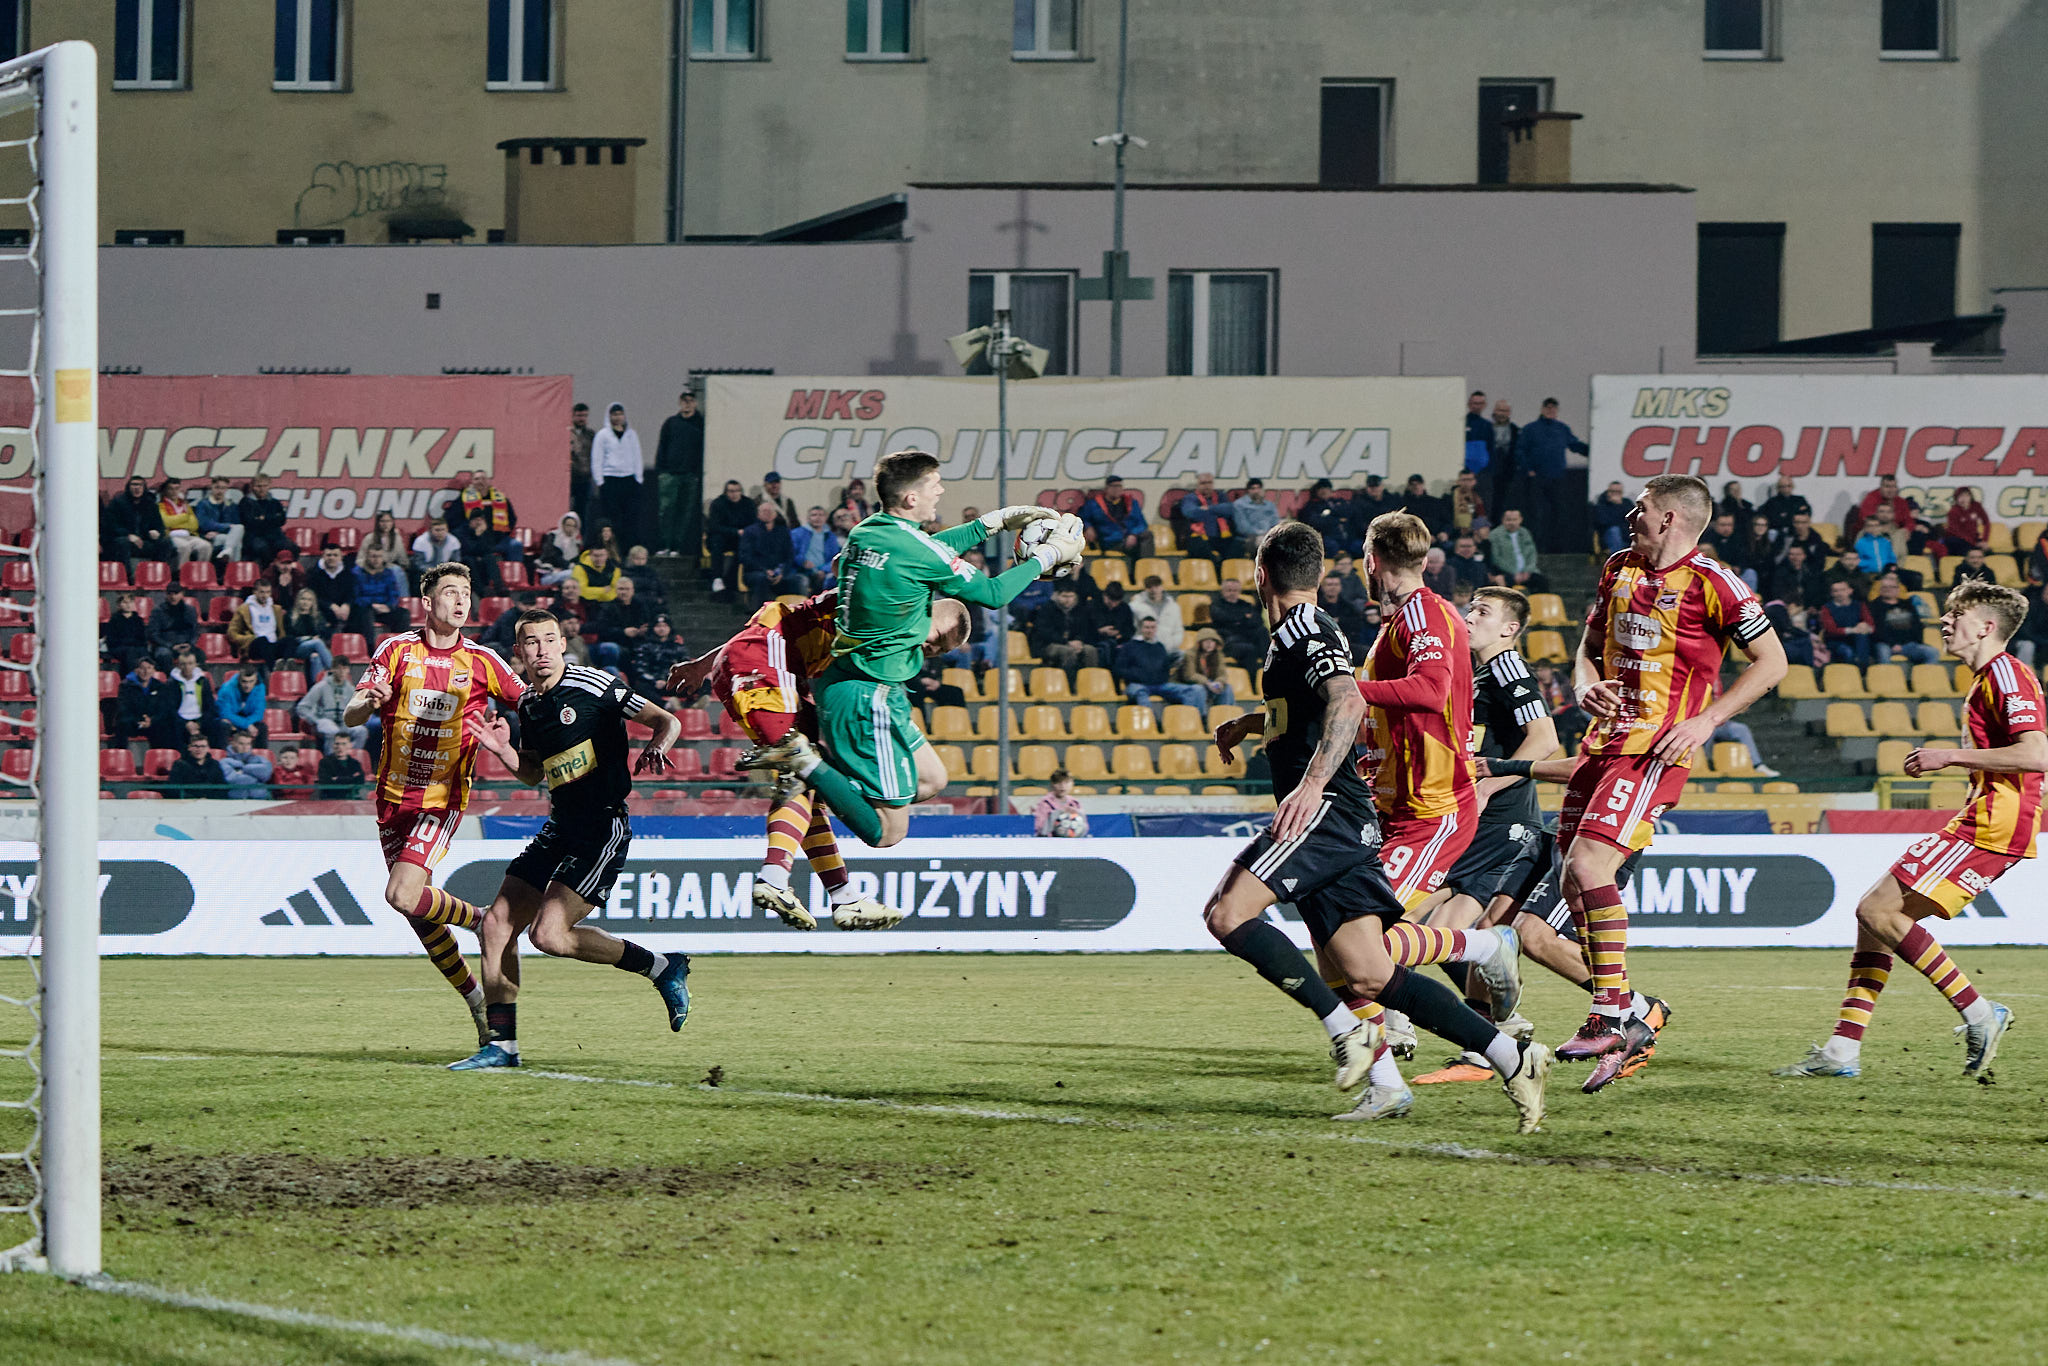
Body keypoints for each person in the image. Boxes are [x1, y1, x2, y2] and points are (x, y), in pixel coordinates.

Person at [1203, 520, 1548, 1130]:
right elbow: (1324, 709)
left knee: (1230, 914)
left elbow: (1357, 697)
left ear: (1260, 575)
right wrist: (1255, 723)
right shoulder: (1337, 631)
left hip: (1380, 810)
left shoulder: (1341, 623)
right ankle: (1496, 1057)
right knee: (1358, 968)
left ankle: (1461, 960)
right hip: (1373, 806)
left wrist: (1314, 780)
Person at [1557, 473, 1786, 1085]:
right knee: (1573, 884)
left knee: (1589, 867)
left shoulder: (1715, 583)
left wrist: (1708, 720)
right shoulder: (1618, 567)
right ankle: (1629, 1017)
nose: (1630, 515)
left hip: (1655, 748)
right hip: (1601, 742)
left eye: (1641, 507)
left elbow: (1773, 662)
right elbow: (1588, 646)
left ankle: (1610, 1015)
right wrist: (1584, 684)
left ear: (1669, 519)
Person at [750, 449, 1076, 856]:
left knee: (932, 780)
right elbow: (993, 594)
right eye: (934, 484)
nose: (940, 491)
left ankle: (823, 780)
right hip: (870, 695)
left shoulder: (866, 531)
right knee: (888, 832)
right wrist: (1046, 557)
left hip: (849, 680)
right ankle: (804, 761)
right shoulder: (916, 551)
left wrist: (992, 523)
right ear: (911, 498)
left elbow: (923, 549)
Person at [1777, 582, 2038, 1081]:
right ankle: (1841, 1051)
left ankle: (1980, 1012)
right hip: (1987, 818)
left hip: (1993, 823)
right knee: (1874, 918)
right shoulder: (1988, 678)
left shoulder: (2006, 674)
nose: (1945, 622)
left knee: (1876, 911)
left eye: (1956, 615)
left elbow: (2037, 753)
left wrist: (1949, 756)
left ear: (1986, 626)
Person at [449, 610, 689, 1071]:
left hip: (602, 826)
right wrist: (504, 751)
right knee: (496, 924)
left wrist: (657, 746)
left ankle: (662, 966)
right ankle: (502, 1046)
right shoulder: (529, 705)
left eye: (548, 640)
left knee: (548, 935)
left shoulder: (594, 684)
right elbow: (533, 772)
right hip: (560, 826)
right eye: (531, 643)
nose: (541, 650)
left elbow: (666, 720)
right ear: (518, 653)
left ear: (562, 643)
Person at [665, 591, 948, 931]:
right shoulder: (876, 603)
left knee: (808, 776)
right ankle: (774, 877)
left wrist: (702, 664)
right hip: (765, 666)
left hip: (757, 665)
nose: (932, 650)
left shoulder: (832, 620)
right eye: (938, 641)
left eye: (941, 650)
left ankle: (843, 895)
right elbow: (771, 635)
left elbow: (756, 635)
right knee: (799, 766)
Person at [344, 563, 527, 1050]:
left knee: (402, 895)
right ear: (427, 603)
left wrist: (517, 740)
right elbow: (351, 713)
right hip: (391, 801)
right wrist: (369, 702)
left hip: (440, 800)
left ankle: (485, 921)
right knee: (419, 915)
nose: (461, 600)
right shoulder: (395, 650)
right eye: (450, 592)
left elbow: (532, 702)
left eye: (466, 592)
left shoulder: (484, 661)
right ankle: (477, 1003)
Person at [1400, 587, 1563, 1082]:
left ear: (1510, 629)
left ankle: (1403, 1022)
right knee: (1448, 935)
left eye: (1483, 612)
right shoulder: (1478, 675)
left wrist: (1490, 785)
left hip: (1500, 823)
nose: (1470, 617)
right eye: (1470, 608)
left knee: (1412, 917)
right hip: (1481, 822)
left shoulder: (1508, 666)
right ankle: (1496, 1033)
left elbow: (1545, 739)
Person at [1509, 399, 1589, 550]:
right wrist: (1528, 469)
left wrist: (1594, 450)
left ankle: (1558, 548)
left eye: (1553, 408)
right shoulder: (1530, 429)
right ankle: (1537, 548)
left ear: (1557, 410)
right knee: (1536, 513)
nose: (1550, 411)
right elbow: (1519, 451)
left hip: (1558, 477)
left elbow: (1575, 445)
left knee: (1559, 513)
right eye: (1548, 407)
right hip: (1537, 478)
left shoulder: (1562, 428)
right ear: (1542, 409)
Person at [654, 387, 705, 561]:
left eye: (690, 401)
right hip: (670, 474)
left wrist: (696, 472)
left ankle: (676, 546)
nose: (687, 404)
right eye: (684, 401)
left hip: (690, 475)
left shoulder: (701, 424)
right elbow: (662, 446)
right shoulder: (671, 423)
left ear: (695, 403)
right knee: (666, 511)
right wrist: (661, 471)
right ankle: (665, 545)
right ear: (679, 402)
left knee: (684, 512)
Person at [1116, 616, 1199, 715]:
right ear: (1141, 629)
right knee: (1140, 693)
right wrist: (1139, 676)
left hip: (1160, 685)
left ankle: (1188, 719)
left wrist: (1161, 677)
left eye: (1152, 627)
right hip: (1138, 684)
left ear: (1156, 629)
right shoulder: (1129, 647)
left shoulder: (1160, 647)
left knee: (1193, 690)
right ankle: (1150, 722)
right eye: (1147, 627)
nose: (1150, 630)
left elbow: (1165, 668)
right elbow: (1119, 669)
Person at [591, 403, 644, 553]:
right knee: (612, 518)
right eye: (614, 414)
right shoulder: (602, 435)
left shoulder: (631, 435)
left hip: (629, 479)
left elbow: (637, 456)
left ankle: (629, 550)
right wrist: (600, 481)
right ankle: (612, 550)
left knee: (630, 518)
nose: (617, 417)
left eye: (620, 414)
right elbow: (597, 458)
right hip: (610, 479)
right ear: (609, 416)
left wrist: (638, 478)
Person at [738, 500, 804, 603]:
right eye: (764, 511)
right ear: (758, 514)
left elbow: (789, 555)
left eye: (770, 511)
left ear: (775, 514)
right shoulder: (749, 532)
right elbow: (745, 557)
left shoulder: (783, 531)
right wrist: (765, 570)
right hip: (755, 572)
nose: (767, 513)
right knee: (761, 578)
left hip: (780, 572)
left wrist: (781, 572)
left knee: (797, 580)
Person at [1078, 475, 1153, 565]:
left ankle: (1146, 568)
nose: (1117, 489)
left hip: (1129, 538)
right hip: (1110, 541)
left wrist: (1133, 534)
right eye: (1114, 486)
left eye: (1119, 486)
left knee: (1147, 536)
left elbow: (1142, 523)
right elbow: (1082, 518)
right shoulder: (1094, 504)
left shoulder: (1131, 503)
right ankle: (1143, 569)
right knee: (1139, 550)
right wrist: (1088, 527)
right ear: (1107, 488)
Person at [101, 474, 172, 567]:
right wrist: (128, 535)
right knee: (122, 543)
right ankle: (126, 575)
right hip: (124, 540)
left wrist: (157, 533)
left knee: (165, 542)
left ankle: (157, 573)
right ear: (128, 487)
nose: (137, 488)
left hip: (144, 541)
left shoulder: (150, 504)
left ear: (144, 487)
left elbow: (159, 526)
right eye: (134, 485)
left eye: (140, 485)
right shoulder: (117, 503)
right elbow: (110, 526)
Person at [161, 647, 225, 750]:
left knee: (219, 726)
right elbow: (169, 709)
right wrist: (185, 723)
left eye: (190, 664)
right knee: (168, 727)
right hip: (179, 720)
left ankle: (216, 756)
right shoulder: (171, 683)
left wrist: (199, 723)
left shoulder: (203, 681)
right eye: (183, 664)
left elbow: (210, 706)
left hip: (200, 719)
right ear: (178, 665)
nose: (187, 667)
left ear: (196, 665)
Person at [1030, 585, 1098, 679]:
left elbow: (1085, 629)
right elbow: (1044, 632)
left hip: (1072, 643)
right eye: (1064, 596)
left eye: (1071, 596)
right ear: (1057, 596)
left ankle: (1089, 682)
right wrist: (1066, 642)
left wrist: (1079, 641)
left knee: (1090, 650)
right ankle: (1068, 683)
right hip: (1048, 645)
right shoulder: (1047, 609)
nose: (1067, 600)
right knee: (1068, 652)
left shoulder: (1080, 610)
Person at [590, 573, 652, 675]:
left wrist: (643, 630)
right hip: (615, 643)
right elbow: (602, 629)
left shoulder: (641, 606)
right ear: (616, 591)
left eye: (627, 589)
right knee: (611, 648)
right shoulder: (607, 607)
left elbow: (647, 623)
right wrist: (623, 632)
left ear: (632, 591)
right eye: (621, 589)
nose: (624, 592)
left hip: (637, 642)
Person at [1871, 573, 1937, 665]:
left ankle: (1923, 674)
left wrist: (1911, 643)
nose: (1888, 589)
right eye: (1885, 587)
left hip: (1908, 644)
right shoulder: (1873, 606)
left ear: (1898, 590)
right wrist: (1893, 644)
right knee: (1883, 653)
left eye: (1892, 587)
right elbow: (1877, 630)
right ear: (1880, 590)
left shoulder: (1908, 605)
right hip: (1885, 644)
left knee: (1932, 652)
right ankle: (1886, 674)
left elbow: (1917, 626)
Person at [705, 479, 755, 600]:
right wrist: (735, 531)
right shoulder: (718, 504)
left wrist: (744, 532)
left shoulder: (748, 503)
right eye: (731, 491)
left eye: (737, 491)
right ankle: (717, 578)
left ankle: (735, 580)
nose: (734, 494)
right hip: (723, 537)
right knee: (717, 541)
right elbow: (714, 526)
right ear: (726, 492)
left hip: (741, 538)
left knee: (745, 545)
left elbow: (753, 522)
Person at [351, 543, 407, 642]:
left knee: (403, 613)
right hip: (365, 609)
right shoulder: (357, 573)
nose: (376, 559)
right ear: (367, 557)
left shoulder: (388, 573)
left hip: (384, 609)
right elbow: (355, 596)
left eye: (379, 556)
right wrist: (372, 605)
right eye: (373, 556)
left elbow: (394, 594)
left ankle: (400, 645)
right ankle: (370, 649)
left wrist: (388, 606)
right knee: (365, 614)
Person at [1177, 471, 1235, 567]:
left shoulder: (1221, 496)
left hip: (1221, 536)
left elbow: (1230, 509)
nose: (1207, 486)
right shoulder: (1190, 498)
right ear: (1197, 484)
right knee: (1199, 548)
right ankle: (1216, 570)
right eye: (1203, 483)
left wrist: (1208, 508)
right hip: (1198, 537)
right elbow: (1190, 512)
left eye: (1209, 483)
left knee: (1237, 546)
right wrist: (1218, 510)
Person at [113, 656, 172, 747]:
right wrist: (139, 721)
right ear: (136, 670)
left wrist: (151, 720)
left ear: (154, 670)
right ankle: (121, 752)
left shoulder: (160, 686)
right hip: (133, 722)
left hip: (152, 723)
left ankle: (161, 754)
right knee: (121, 723)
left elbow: (163, 708)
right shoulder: (126, 686)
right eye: (142, 668)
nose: (146, 671)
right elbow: (124, 708)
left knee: (167, 724)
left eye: (149, 668)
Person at [1171, 628, 1234, 709]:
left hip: (1208, 684)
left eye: (1212, 641)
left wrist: (1219, 682)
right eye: (1206, 641)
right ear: (1200, 643)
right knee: (1199, 689)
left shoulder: (1218, 655)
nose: (1209, 644)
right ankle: (1201, 715)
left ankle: (1224, 713)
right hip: (1188, 685)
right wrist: (1207, 683)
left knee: (1227, 688)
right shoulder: (1190, 654)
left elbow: (1222, 674)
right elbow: (1190, 676)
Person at [1209, 577, 1267, 665]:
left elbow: (1258, 620)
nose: (1232, 593)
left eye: (1235, 590)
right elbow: (1223, 618)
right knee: (1249, 649)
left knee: (1262, 631)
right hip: (1229, 642)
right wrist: (1245, 617)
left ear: (1239, 591)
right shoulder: (1216, 605)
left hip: (1246, 638)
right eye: (1229, 590)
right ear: (1222, 591)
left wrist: (1237, 621)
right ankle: (1253, 674)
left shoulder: (1245, 604)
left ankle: (1269, 667)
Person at [226, 580, 285, 667]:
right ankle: (273, 669)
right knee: (262, 640)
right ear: (255, 592)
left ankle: (287, 666)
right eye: (262, 592)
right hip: (255, 645)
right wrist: (249, 639)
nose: (265, 596)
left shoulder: (276, 609)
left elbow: (281, 631)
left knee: (289, 640)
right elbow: (232, 633)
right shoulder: (244, 609)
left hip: (274, 644)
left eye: (268, 592)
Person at [629, 613, 688, 697]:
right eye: (658, 626)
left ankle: (696, 702)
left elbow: (685, 666)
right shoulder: (644, 647)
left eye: (665, 626)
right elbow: (640, 669)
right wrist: (655, 681)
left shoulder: (678, 647)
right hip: (653, 683)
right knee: (640, 687)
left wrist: (668, 679)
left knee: (700, 681)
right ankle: (666, 704)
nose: (662, 629)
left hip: (672, 682)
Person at [1487, 508, 1546, 592]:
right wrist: (1515, 572)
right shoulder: (1495, 535)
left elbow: (1532, 554)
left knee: (1541, 581)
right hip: (1506, 572)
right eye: (1508, 520)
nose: (1512, 523)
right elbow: (1496, 558)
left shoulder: (1525, 533)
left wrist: (1527, 571)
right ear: (1503, 520)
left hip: (1527, 572)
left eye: (1515, 520)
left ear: (1520, 520)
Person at [146, 582, 201, 671]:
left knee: (200, 655)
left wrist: (190, 644)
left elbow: (195, 631)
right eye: (170, 594)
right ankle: (171, 679)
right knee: (164, 655)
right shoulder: (158, 611)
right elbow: (153, 634)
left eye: (176, 593)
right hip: (165, 645)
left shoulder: (190, 610)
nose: (173, 597)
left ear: (182, 594)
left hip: (186, 645)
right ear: (166, 595)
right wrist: (171, 646)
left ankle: (197, 678)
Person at [1820, 579, 1876, 666]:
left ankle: (1862, 668)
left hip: (1857, 639)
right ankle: (1856, 669)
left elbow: (1870, 624)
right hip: (1835, 641)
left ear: (1850, 591)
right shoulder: (1826, 608)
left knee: (1863, 637)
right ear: (1831, 593)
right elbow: (1831, 630)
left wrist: (1866, 627)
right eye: (1836, 591)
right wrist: (1852, 630)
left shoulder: (1859, 605)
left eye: (1843, 590)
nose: (1839, 593)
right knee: (1847, 652)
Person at [238, 473, 290, 568]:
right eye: (259, 486)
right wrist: (272, 519)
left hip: (275, 535)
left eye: (265, 486)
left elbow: (282, 520)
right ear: (253, 487)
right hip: (254, 536)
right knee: (262, 548)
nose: (262, 489)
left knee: (291, 547)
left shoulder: (275, 502)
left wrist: (263, 518)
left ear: (269, 486)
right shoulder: (245, 502)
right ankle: (268, 571)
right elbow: (250, 522)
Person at [156, 478, 209, 568]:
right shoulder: (160, 506)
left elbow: (194, 525)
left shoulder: (186, 506)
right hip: (171, 536)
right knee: (184, 546)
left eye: (177, 489)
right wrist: (185, 517)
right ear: (166, 490)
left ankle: (200, 571)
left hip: (189, 535)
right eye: (171, 489)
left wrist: (175, 522)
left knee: (205, 546)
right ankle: (181, 572)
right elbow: (166, 522)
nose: (174, 492)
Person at [458, 470, 518, 548]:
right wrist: (470, 530)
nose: (480, 481)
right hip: (473, 538)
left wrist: (502, 533)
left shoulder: (501, 498)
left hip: (498, 538)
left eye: (483, 478)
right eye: (476, 479)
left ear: (489, 481)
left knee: (516, 545)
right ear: (472, 482)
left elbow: (512, 518)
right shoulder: (463, 499)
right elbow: (455, 519)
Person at [283, 587, 334, 680]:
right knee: (317, 642)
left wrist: (318, 636)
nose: (305, 602)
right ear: (298, 600)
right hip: (297, 648)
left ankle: (317, 685)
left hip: (314, 649)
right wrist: (309, 638)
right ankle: (334, 670)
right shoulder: (290, 616)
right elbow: (290, 637)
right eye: (303, 599)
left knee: (316, 657)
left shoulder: (318, 616)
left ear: (313, 602)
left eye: (309, 600)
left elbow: (325, 633)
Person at [309, 545, 360, 635]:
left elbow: (353, 592)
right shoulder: (313, 573)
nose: (332, 558)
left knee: (361, 610)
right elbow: (313, 596)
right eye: (329, 555)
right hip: (323, 609)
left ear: (341, 557)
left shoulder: (349, 573)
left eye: (335, 555)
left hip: (345, 609)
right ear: (323, 556)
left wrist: (347, 604)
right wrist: (330, 605)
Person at [195, 474, 244, 565]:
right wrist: (227, 527)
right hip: (208, 536)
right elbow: (203, 523)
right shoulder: (203, 504)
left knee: (239, 528)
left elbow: (236, 523)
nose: (220, 491)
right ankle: (234, 567)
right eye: (217, 487)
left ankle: (227, 551)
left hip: (224, 535)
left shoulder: (231, 505)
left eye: (223, 488)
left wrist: (219, 531)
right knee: (236, 541)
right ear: (212, 487)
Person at [1128, 576, 1184, 654]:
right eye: (1149, 587)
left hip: (1168, 649)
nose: (1153, 590)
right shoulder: (1135, 606)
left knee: (1182, 655)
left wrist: (1172, 645)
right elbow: (1132, 629)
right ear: (1145, 589)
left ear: (1162, 587)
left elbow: (1178, 630)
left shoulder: (1173, 606)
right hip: (1143, 650)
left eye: (1156, 586)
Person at [1296, 479, 1352, 557]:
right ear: (1316, 491)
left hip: (1344, 537)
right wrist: (1336, 520)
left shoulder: (1339, 503)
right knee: (1332, 545)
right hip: (1324, 537)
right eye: (1321, 489)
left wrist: (1331, 516)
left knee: (1356, 545)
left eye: (1326, 488)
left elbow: (1348, 515)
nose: (1324, 491)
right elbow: (1315, 522)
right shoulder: (1311, 506)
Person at [216, 663, 268, 745]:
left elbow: (258, 714)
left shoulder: (260, 688)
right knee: (223, 725)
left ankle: (260, 752)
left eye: (251, 681)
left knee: (262, 727)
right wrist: (246, 724)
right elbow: (225, 713)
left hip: (247, 719)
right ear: (239, 679)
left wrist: (248, 723)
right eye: (244, 681)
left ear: (256, 680)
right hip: (231, 720)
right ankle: (223, 752)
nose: (247, 685)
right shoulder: (226, 689)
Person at [790, 507, 841, 588]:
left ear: (825, 518)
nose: (818, 518)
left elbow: (834, 557)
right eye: (814, 515)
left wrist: (824, 570)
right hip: (802, 571)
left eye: (821, 515)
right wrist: (803, 562)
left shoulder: (831, 536)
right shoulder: (796, 533)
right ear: (808, 518)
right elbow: (792, 553)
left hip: (824, 573)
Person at [101, 592, 150, 675]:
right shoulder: (114, 620)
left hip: (136, 648)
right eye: (125, 602)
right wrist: (130, 642)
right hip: (118, 648)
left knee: (143, 653)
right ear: (119, 605)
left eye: (130, 602)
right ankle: (131, 677)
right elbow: (111, 640)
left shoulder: (138, 620)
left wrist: (133, 643)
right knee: (130, 653)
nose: (128, 605)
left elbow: (143, 639)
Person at [166, 732, 226, 800]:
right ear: (189, 748)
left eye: (203, 746)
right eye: (195, 746)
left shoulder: (214, 764)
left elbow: (221, 787)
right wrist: (193, 799)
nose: (199, 749)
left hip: (210, 801)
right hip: (186, 802)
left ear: (208, 748)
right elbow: (174, 788)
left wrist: (209, 799)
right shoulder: (179, 764)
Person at [1485, 400, 1520, 514]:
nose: (1502, 413)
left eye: (1505, 411)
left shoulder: (1516, 430)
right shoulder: (1486, 428)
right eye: (1500, 410)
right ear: (1494, 411)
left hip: (1508, 474)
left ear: (1509, 413)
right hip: (1488, 472)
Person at [219, 728, 273, 799]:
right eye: (241, 744)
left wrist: (244, 769)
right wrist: (256, 779)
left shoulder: (259, 759)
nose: (245, 747)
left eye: (248, 744)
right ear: (233, 743)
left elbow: (266, 776)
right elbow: (232, 780)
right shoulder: (225, 761)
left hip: (260, 798)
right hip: (235, 800)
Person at [1033, 768, 1088, 836]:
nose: (1062, 786)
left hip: (1071, 841)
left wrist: (1079, 813)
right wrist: (1057, 814)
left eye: (1066, 782)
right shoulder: (1045, 803)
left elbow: (1083, 829)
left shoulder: (1075, 803)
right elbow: (1041, 832)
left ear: (1072, 784)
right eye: (1058, 783)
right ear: (1052, 784)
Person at [411, 516, 463, 588]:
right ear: (430, 530)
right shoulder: (420, 541)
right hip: (426, 570)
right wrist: (434, 571)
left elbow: (456, 561)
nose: (440, 533)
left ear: (447, 530)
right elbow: (419, 563)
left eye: (443, 530)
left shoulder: (453, 541)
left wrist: (446, 572)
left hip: (445, 569)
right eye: (437, 530)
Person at [315, 729, 367, 799]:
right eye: (337, 744)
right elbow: (325, 782)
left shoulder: (355, 763)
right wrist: (351, 777)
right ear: (333, 745)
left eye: (344, 744)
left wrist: (336, 779)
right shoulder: (324, 762)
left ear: (350, 745)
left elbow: (360, 781)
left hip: (351, 798)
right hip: (330, 799)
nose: (340, 747)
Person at [568, 401, 596, 529]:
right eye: (579, 415)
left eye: (584, 416)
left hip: (585, 478)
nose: (582, 419)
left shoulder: (591, 435)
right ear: (573, 416)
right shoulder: (566, 433)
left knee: (583, 512)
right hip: (569, 478)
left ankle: (581, 537)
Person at [1942, 486, 1990, 558]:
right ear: (1956, 499)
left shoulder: (1976, 506)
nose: (1964, 499)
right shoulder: (1953, 511)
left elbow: (1986, 522)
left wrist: (1984, 540)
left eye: (1966, 496)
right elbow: (1958, 532)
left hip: (1973, 538)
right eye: (1960, 496)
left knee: (1988, 552)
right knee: (1968, 551)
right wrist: (1974, 544)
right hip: (1958, 539)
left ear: (1970, 497)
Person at [1590, 481, 1632, 555]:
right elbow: (1604, 522)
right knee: (1614, 530)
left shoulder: (1627, 503)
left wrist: (1620, 505)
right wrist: (1617, 506)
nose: (1615, 494)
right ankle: (1618, 558)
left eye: (1618, 492)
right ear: (1608, 492)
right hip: (1609, 537)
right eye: (1613, 491)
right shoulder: (1601, 504)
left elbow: (1633, 518)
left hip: (1627, 535)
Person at [358, 508, 404, 573]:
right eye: (382, 521)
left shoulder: (397, 539)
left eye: (388, 521)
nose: (385, 524)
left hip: (390, 569)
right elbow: (359, 560)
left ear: (392, 523)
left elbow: (403, 561)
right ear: (378, 523)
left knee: (397, 570)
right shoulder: (369, 538)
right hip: (371, 569)